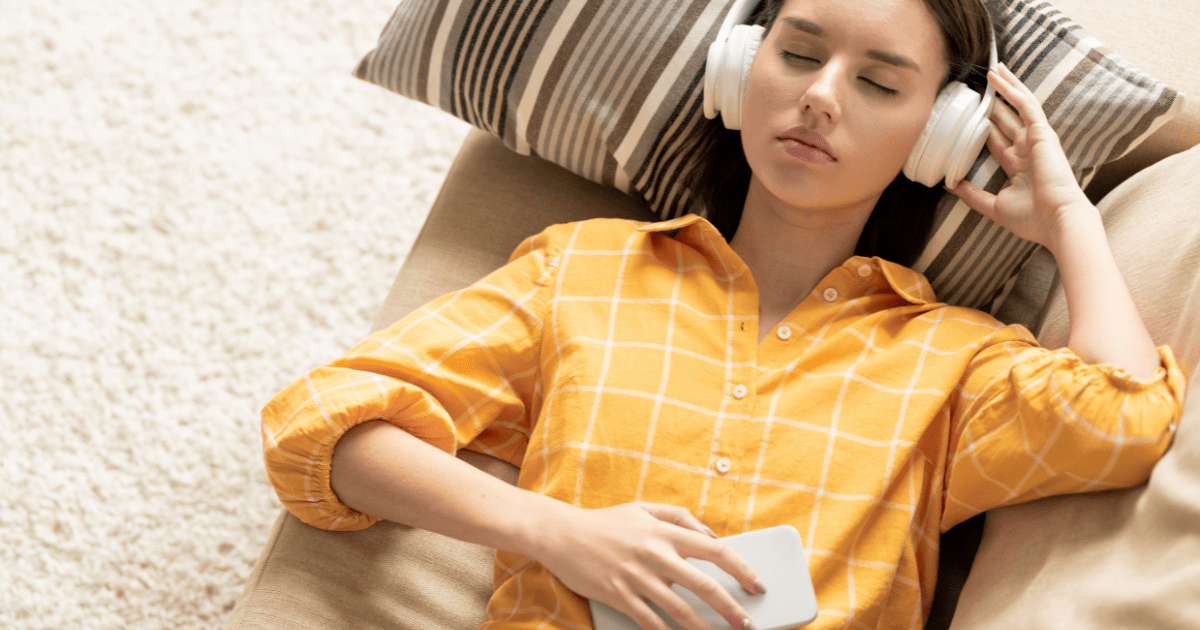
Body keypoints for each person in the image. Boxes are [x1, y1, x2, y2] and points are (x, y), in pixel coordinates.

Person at [260, 0, 1185, 628]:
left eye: (878, 83)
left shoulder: (951, 359)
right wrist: (556, 533)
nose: (821, 96)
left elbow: (1122, 416)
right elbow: (323, 429)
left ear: (937, 133)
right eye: (799, 53)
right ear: (740, 70)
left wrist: (1068, 221)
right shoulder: (584, 271)